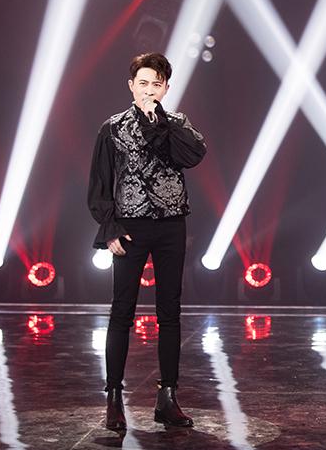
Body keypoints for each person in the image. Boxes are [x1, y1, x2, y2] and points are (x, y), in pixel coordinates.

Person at [88, 52, 207, 431]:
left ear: (166, 88)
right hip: (131, 227)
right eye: (143, 83)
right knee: (121, 311)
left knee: (169, 312)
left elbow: (195, 155)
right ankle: (113, 398)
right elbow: (100, 183)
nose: (149, 90)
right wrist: (109, 229)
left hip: (171, 225)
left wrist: (162, 123)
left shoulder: (177, 124)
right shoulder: (113, 127)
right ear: (131, 85)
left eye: (157, 84)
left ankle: (167, 397)